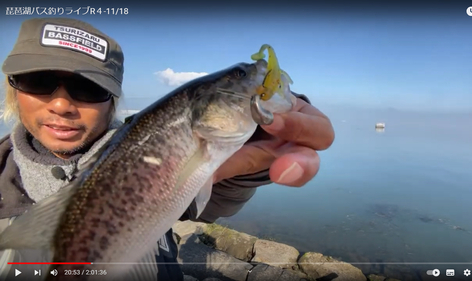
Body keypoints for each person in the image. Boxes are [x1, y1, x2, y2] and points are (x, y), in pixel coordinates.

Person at [0, 18, 334, 280]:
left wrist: (266, 137)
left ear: (113, 101)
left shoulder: (159, 153)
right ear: (13, 90)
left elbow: (218, 185)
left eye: (87, 88)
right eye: (38, 81)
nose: (61, 104)